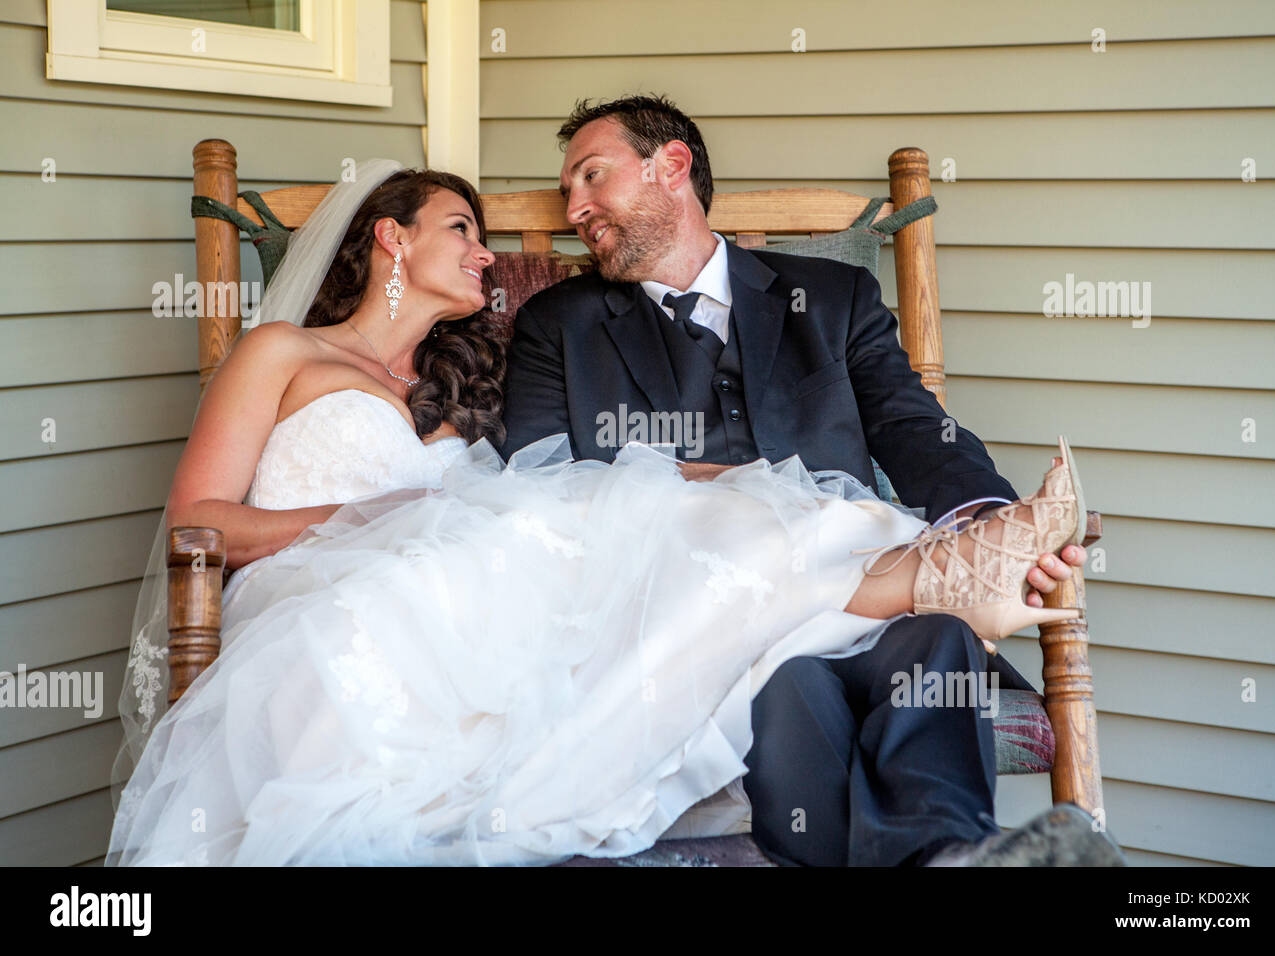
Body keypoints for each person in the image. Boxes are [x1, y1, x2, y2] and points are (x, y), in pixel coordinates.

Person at [107, 155, 1090, 868]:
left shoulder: (460, 395)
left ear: (671, 168)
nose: (488, 258)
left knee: (625, 505)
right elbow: (202, 521)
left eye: (491, 241)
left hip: (458, 601)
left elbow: (910, 426)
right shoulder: (283, 353)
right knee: (601, 508)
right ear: (388, 235)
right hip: (341, 609)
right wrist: (380, 522)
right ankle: (945, 568)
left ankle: (953, 567)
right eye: (463, 231)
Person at [499, 94, 1123, 866]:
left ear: (673, 166)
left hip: (869, 601)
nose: (575, 207)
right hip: (701, 615)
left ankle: (951, 855)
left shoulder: (830, 298)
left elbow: (911, 424)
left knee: (936, 646)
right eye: (566, 192)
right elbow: (541, 486)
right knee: (791, 687)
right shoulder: (559, 324)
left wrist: (985, 517)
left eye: (592, 176)